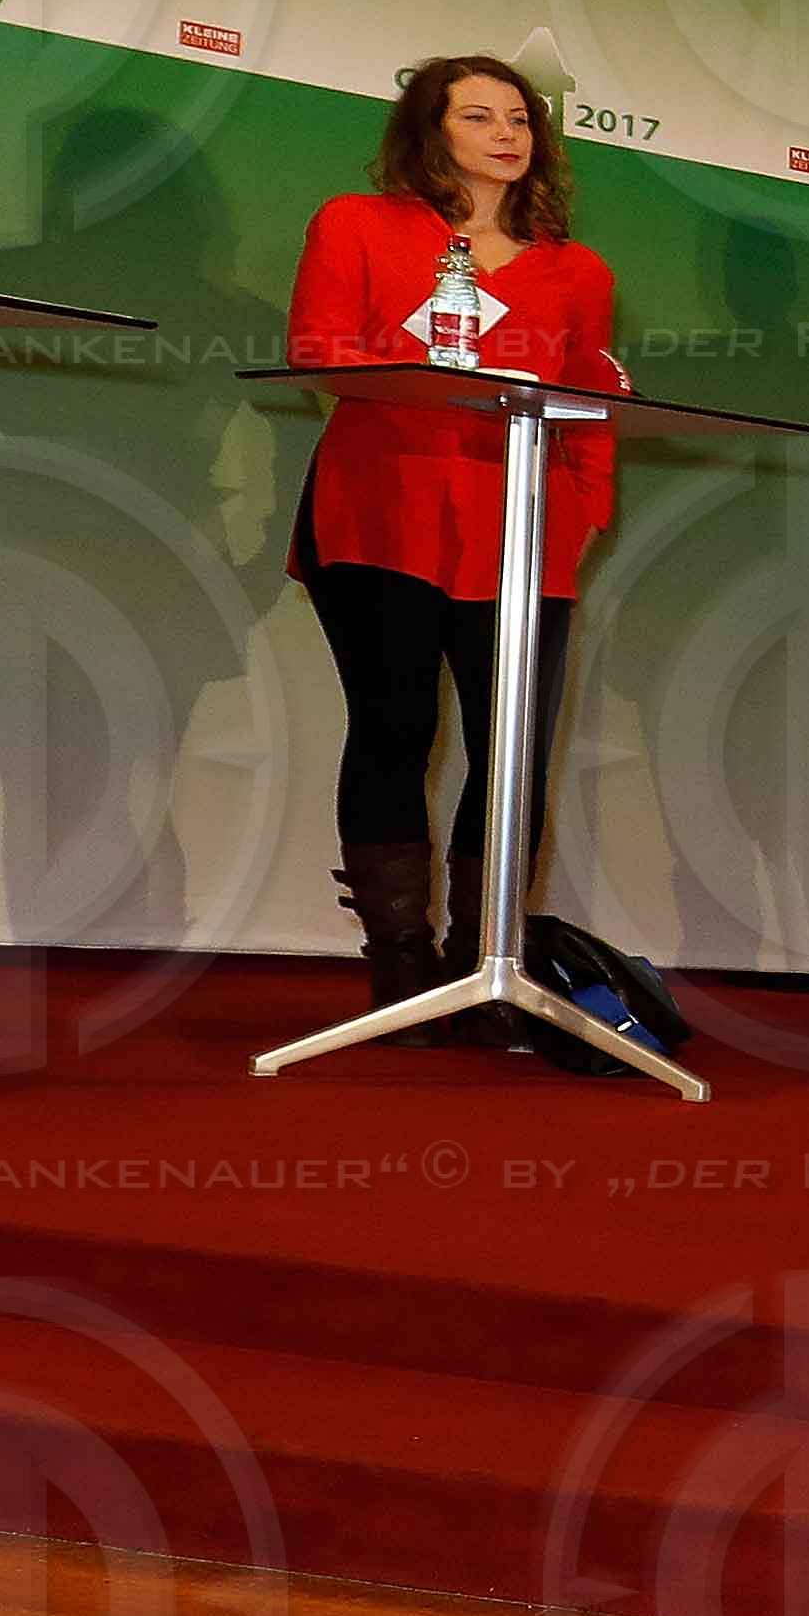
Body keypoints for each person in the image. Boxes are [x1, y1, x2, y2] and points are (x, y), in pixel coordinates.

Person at [279, 54, 627, 1019]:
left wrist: (586, 512)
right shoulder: (357, 223)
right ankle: (401, 964)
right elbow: (318, 348)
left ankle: (489, 971)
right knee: (395, 729)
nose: (507, 134)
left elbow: (593, 404)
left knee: (512, 747)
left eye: (519, 117)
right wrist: (433, 365)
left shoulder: (578, 268)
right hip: (381, 513)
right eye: (478, 117)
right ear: (429, 133)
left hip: (522, 530)